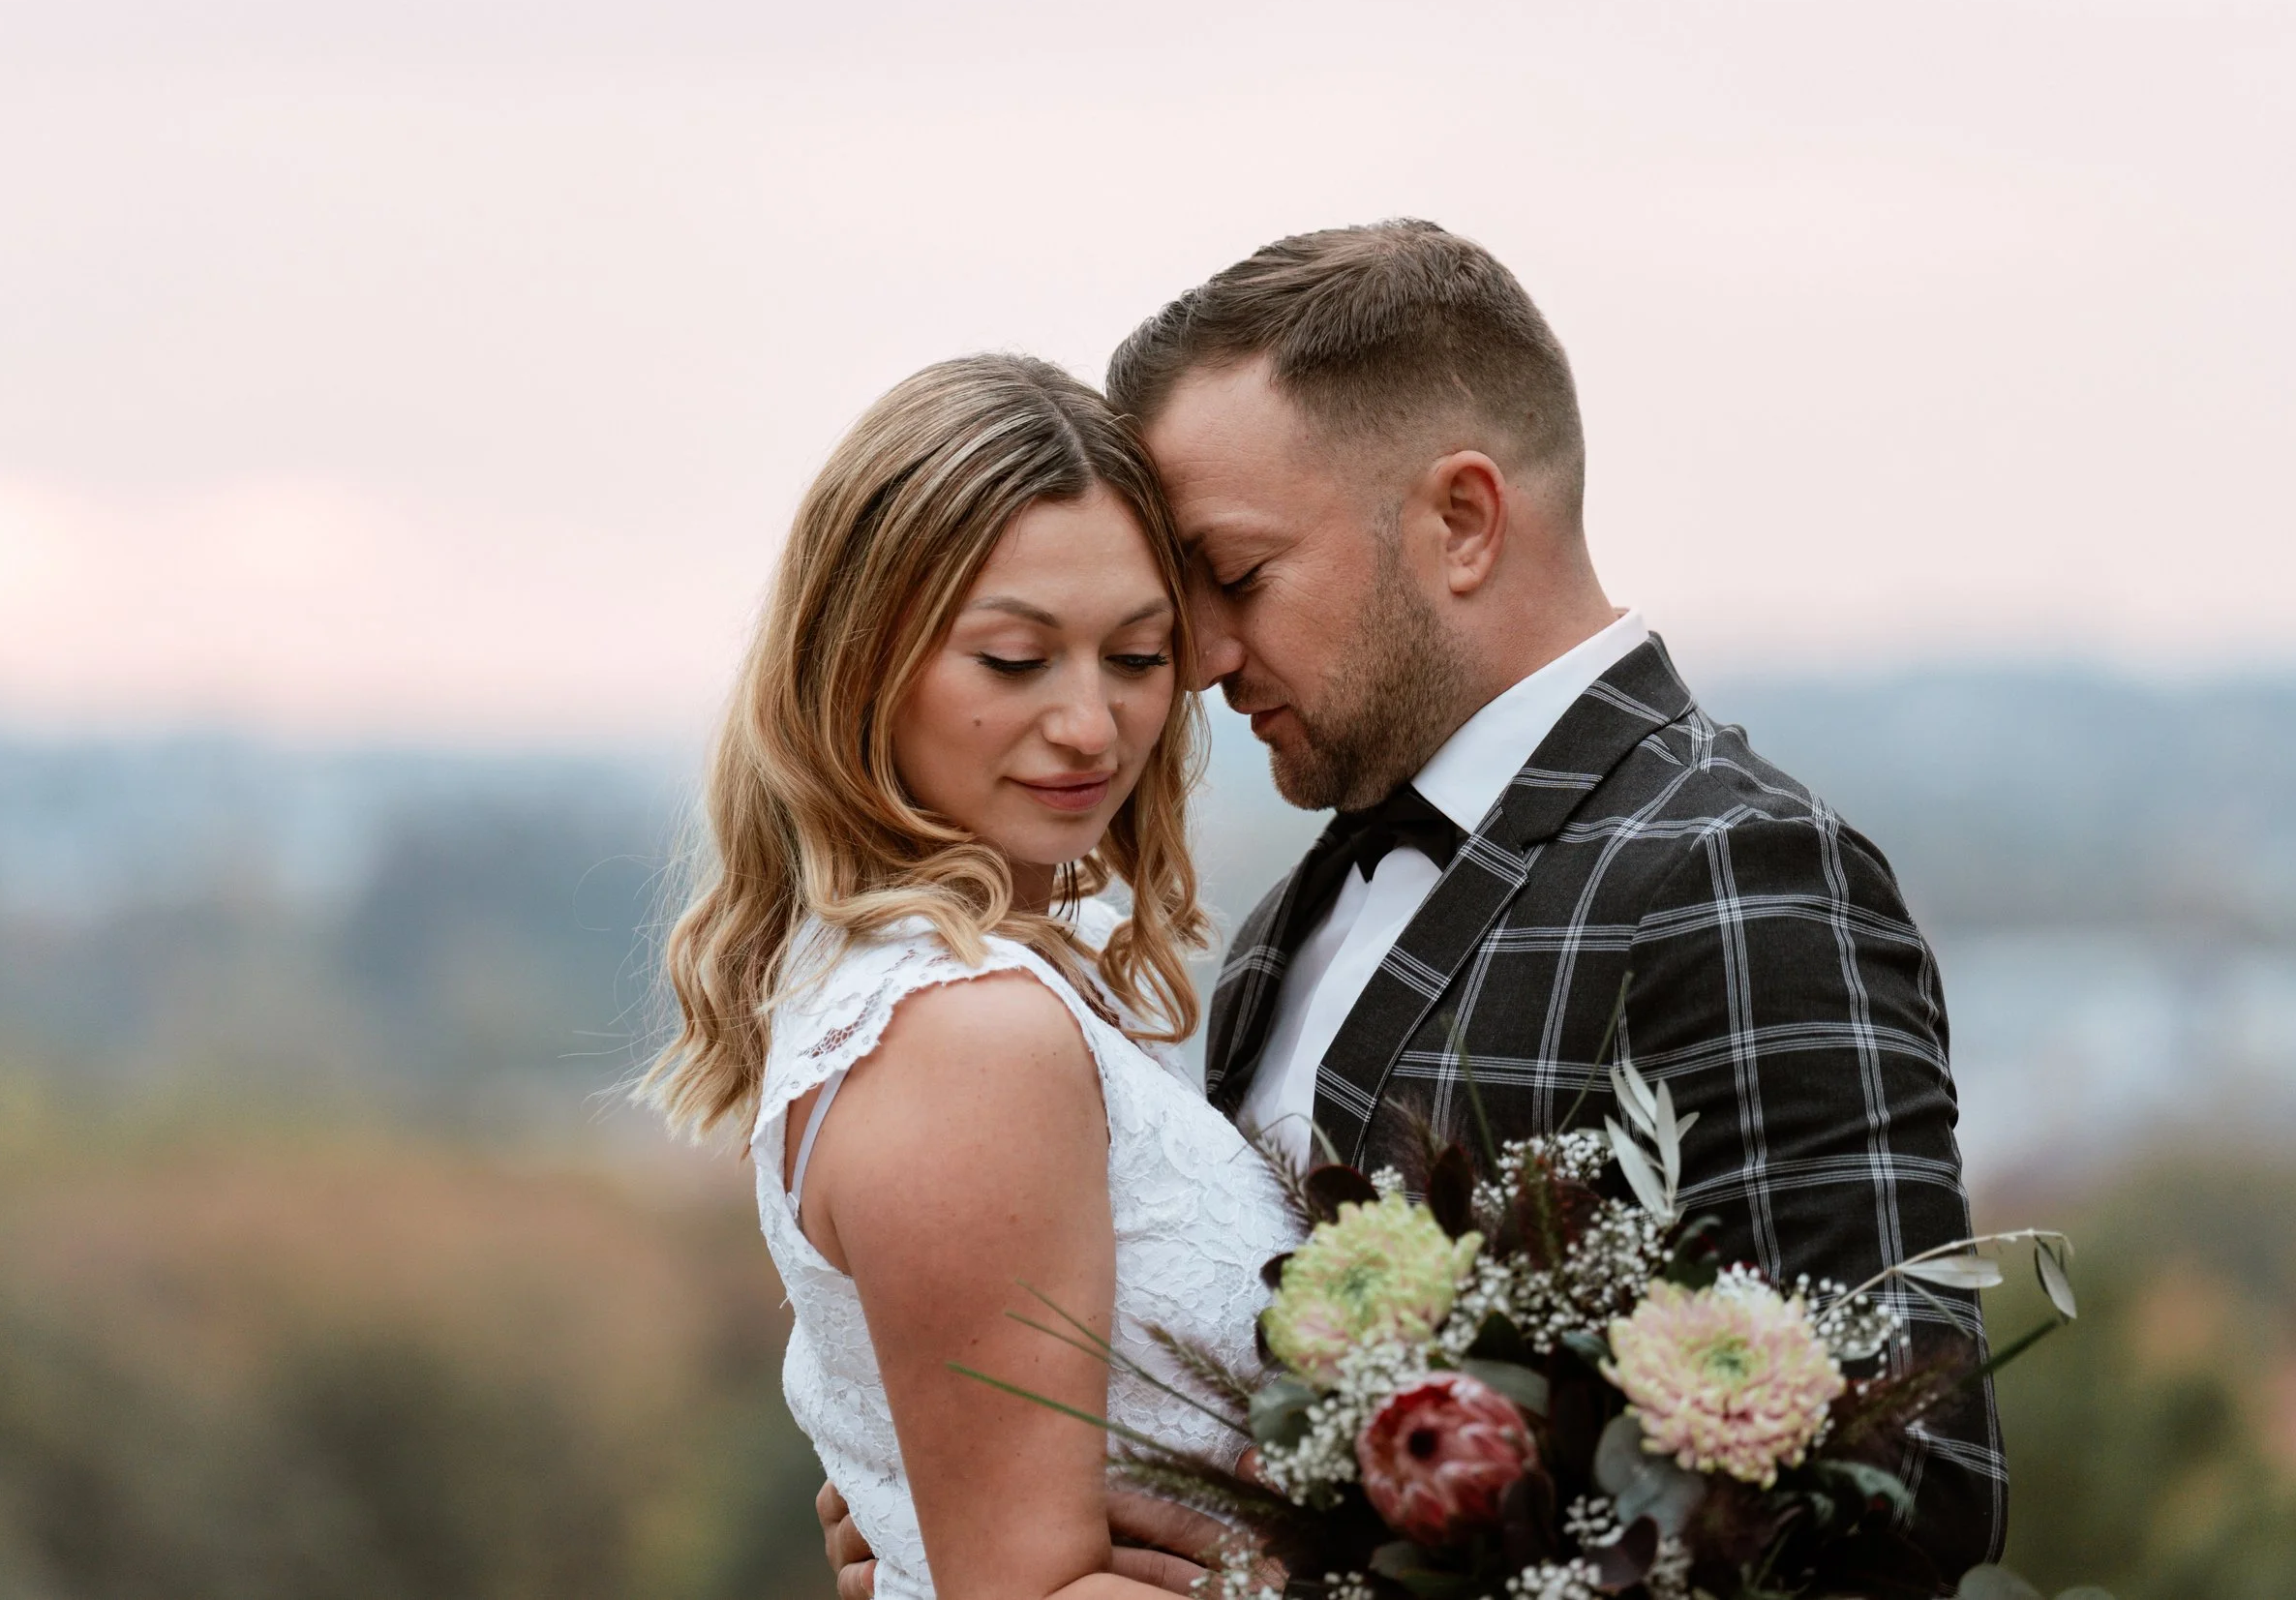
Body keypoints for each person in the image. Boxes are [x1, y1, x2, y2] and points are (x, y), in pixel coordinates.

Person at [824, 223, 2002, 1594]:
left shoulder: (1729, 871)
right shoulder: (1282, 930)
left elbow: (1903, 1507)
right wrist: (961, 1515)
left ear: (1460, 520)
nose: (1198, 657)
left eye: (1240, 575)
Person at [647, 354, 1299, 1600]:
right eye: (1013, 660)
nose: (1090, 726)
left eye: (1137, 655)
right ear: (858, 665)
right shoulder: (967, 1033)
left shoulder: (1000, 978)